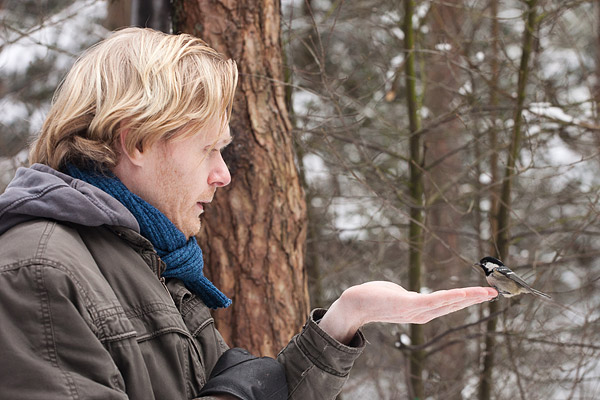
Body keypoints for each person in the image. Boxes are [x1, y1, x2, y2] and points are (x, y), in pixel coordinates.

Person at [0, 27, 497, 399]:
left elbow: (249, 388)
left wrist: (344, 322)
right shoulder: (38, 272)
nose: (223, 175)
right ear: (138, 142)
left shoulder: (148, 260)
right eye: (209, 150)